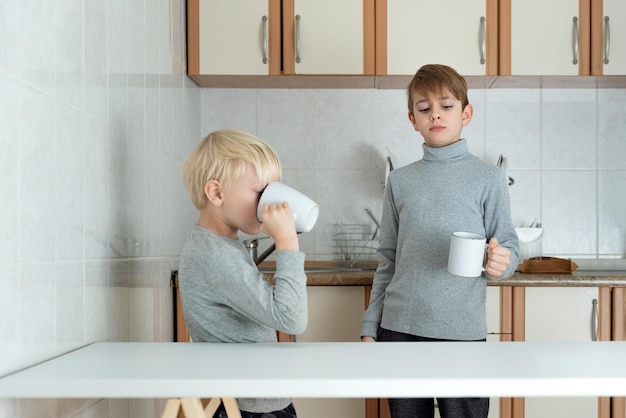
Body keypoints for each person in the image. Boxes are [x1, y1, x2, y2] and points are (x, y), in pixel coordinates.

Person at [360, 64, 519, 418]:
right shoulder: (399, 181)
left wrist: (502, 261)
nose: (435, 115)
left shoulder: (488, 178)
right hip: (399, 330)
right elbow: (387, 260)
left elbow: (508, 245)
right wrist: (370, 326)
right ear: (412, 119)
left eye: (446, 106)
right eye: (424, 108)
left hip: (461, 331)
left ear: (466, 113)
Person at [178, 129, 308, 418]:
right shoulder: (215, 255)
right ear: (216, 193)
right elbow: (292, 318)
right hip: (248, 406)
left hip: (243, 398)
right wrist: (287, 243)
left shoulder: (217, 244)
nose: (267, 203)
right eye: (261, 192)